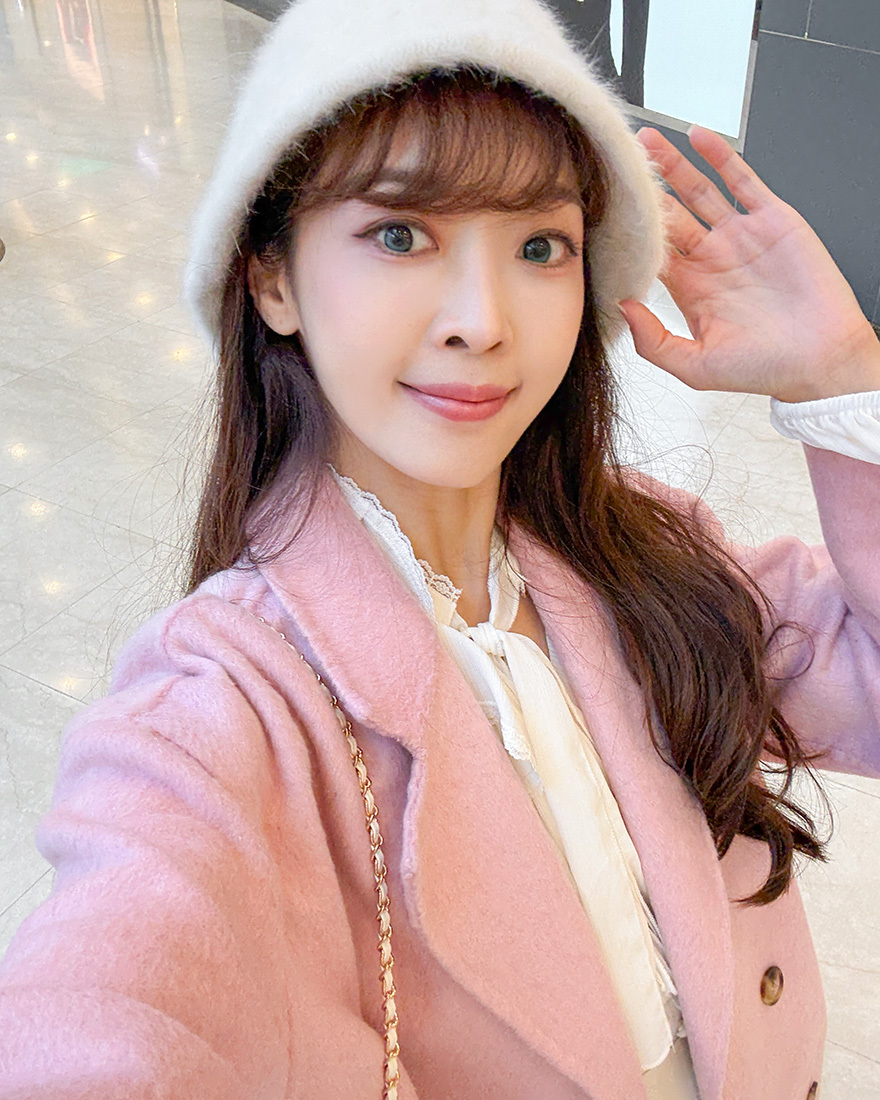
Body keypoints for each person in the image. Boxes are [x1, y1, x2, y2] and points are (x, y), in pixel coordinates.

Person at [1, 0, 879, 1096]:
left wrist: (844, 379)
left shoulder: (653, 556)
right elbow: (111, 1002)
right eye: (400, 234)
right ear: (272, 278)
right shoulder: (224, 707)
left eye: (539, 246)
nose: (482, 319)